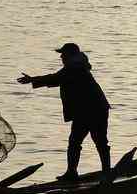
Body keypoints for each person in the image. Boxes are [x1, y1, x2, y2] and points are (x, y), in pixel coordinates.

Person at [17, 43, 111, 181]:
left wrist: (32, 79)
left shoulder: (75, 68)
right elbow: (57, 80)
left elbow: (55, 78)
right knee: (77, 142)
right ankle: (76, 172)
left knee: (95, 141)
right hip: (85, 111)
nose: (61, 56)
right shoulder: (75, 66)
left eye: (63, 54)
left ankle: (104, 172)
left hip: (94, 110)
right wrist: (34, 80)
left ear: (70, 55)